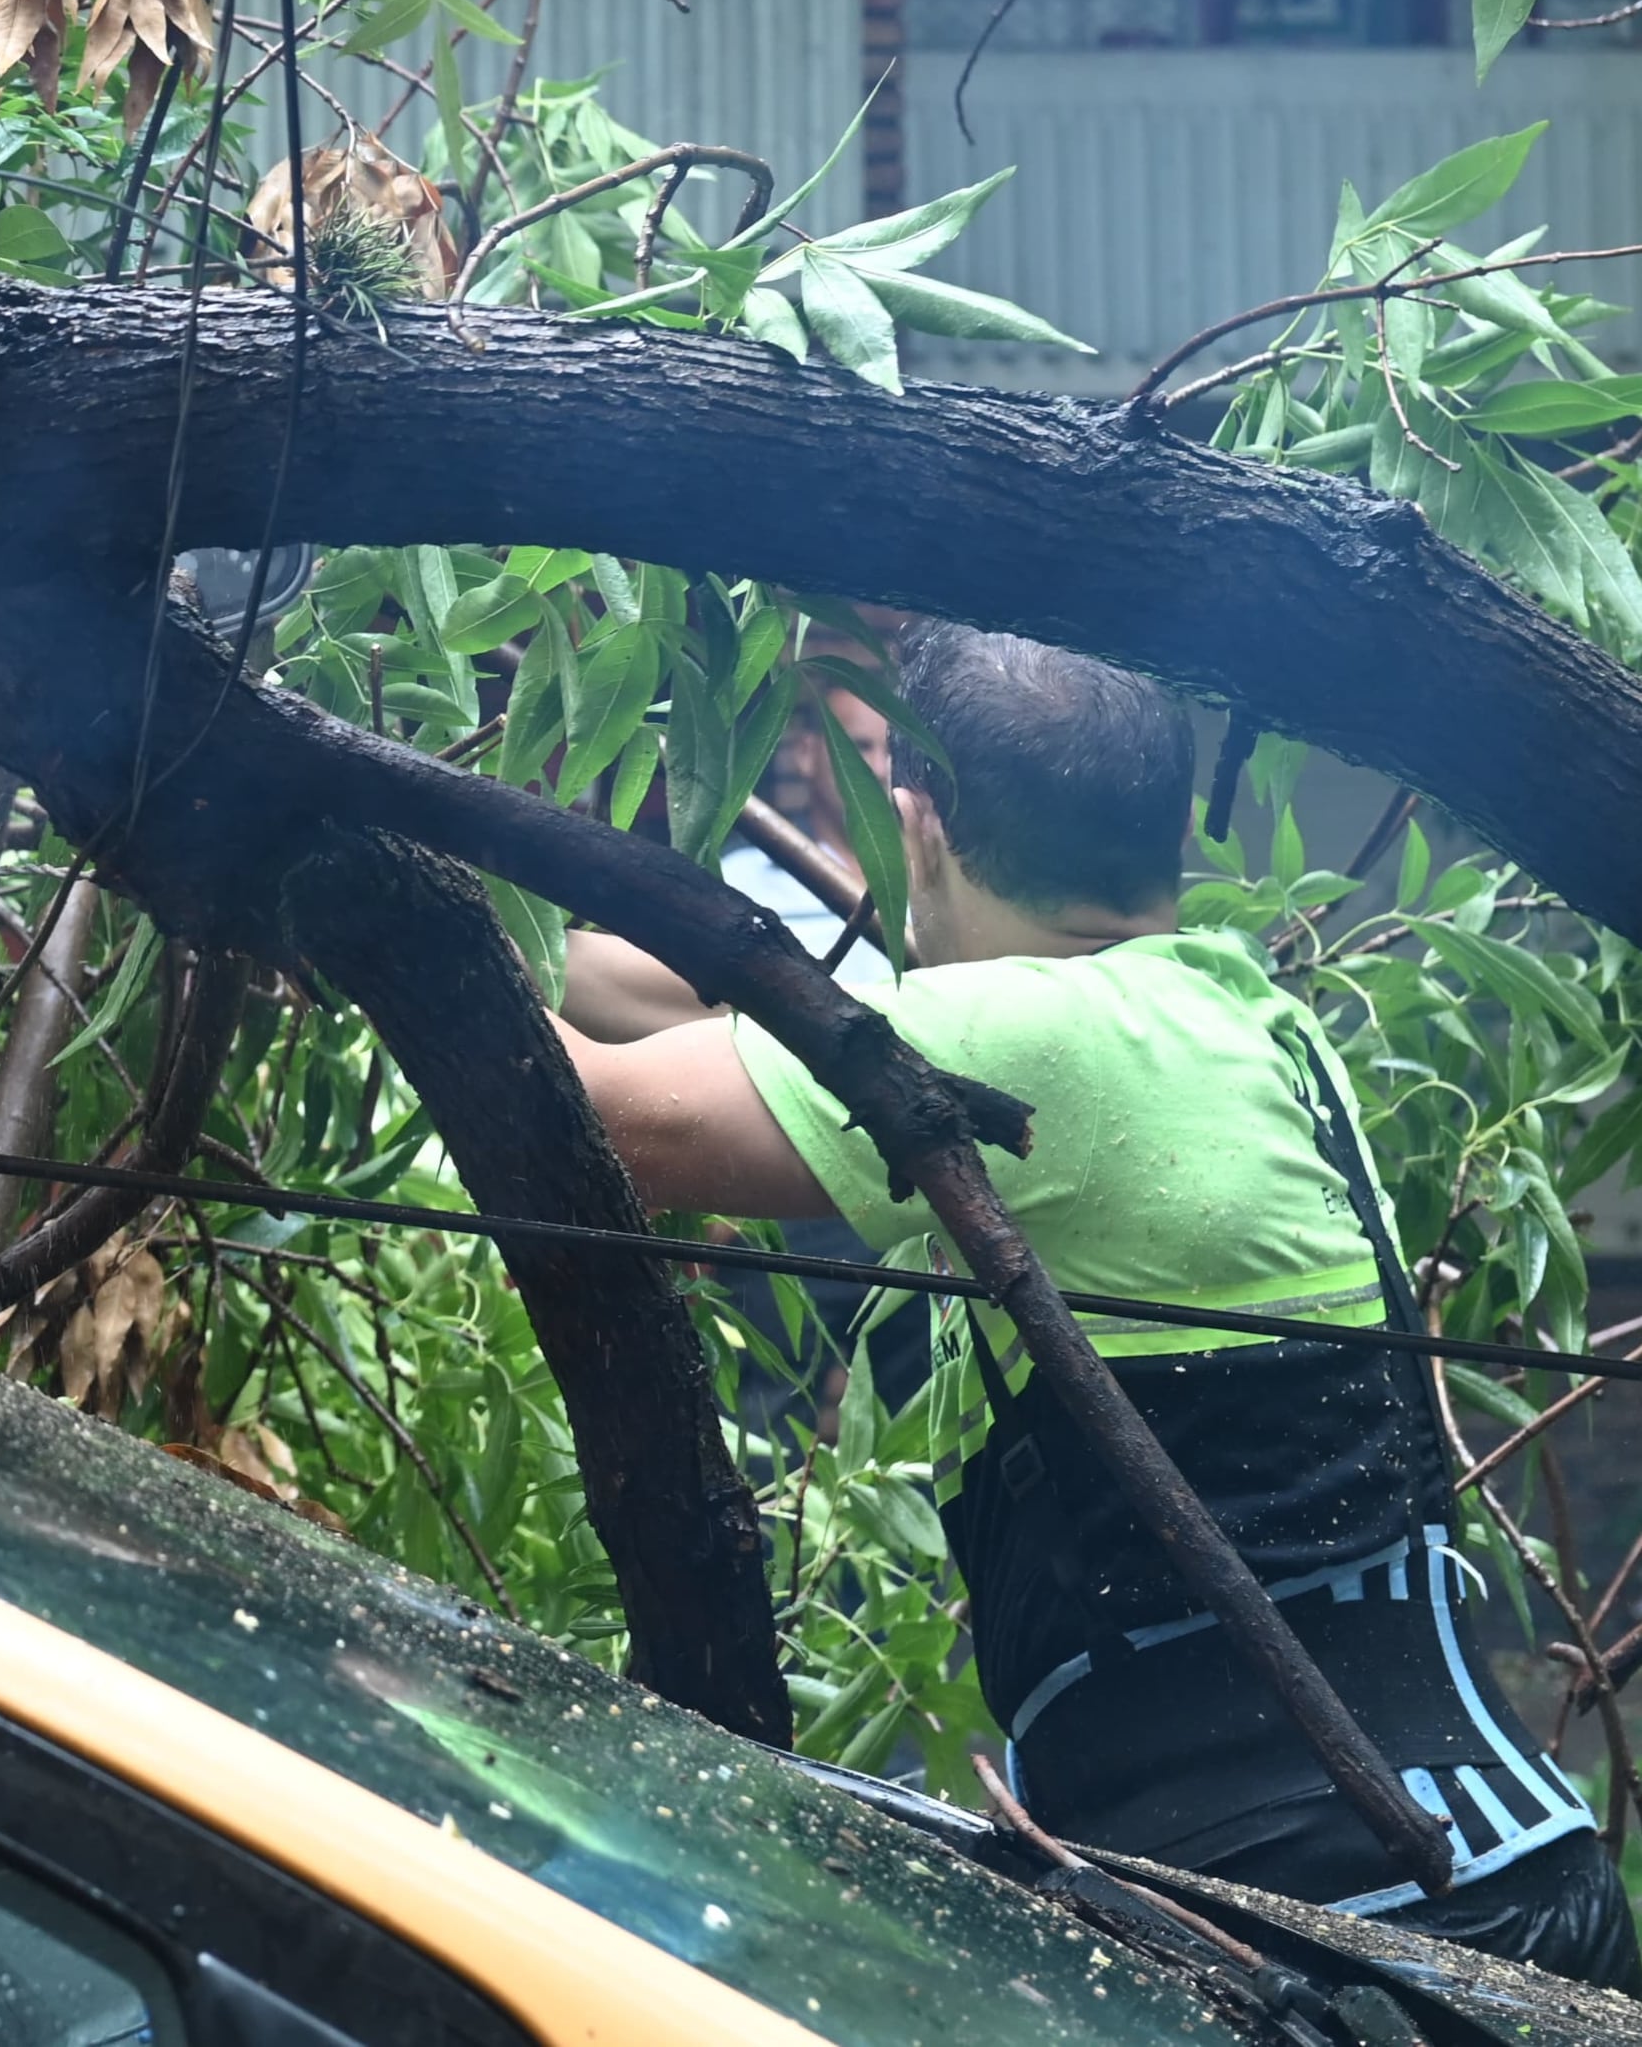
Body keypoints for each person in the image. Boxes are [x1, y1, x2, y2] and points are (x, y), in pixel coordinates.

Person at [558, 623, 1636, 1986]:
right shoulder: (1227, 1011)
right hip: (1483, 1885)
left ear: (914, 824)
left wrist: (387, 909)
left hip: (1343, 1937)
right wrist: (511, 920)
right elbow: (741, 1007)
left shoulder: (1039, 1039)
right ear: (1166, 824)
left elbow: (622, 1117)